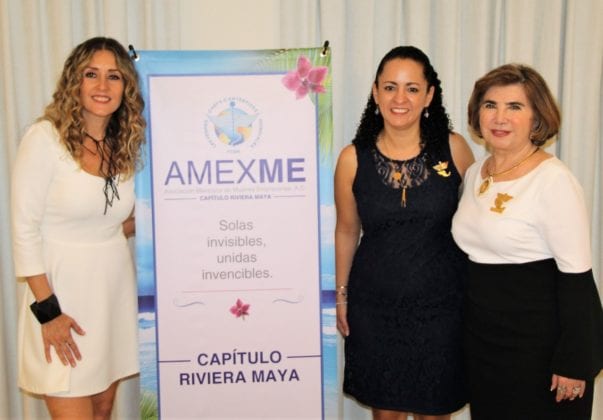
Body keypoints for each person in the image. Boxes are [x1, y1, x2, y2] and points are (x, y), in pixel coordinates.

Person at [452, 63, 603, 419]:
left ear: (537, 118)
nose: (499, 117)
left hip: (541, 351)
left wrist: (575, 361)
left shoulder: (553, 180)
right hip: (485, 346)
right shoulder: (475, 173)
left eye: (515, 107)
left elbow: (578, 278)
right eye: (490, 105)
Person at [335, 46, 474, 420]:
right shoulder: (352, 159)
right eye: (390, 87)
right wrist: (342, 297)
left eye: (412, 88)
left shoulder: (455, 150)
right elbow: (346, 230)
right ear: (375, 92)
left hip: (443, 310)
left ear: (429, 95)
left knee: (435, 412)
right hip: (375, 310)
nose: (400, 99)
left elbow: (479, 226)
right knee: (387, 415)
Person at [11, 37, 145, 419]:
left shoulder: (125, 144)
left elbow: (112, 223)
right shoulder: (44, 139)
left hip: (112, 296)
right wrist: (49, 313)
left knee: (102, 411)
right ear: (75, 81)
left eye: (113, 76)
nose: (102, 86)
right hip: (60, 299)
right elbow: (24, 230)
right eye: (91, 74)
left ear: (126, 86)